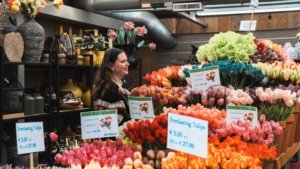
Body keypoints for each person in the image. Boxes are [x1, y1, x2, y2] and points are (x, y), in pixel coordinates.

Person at [92, 48, 130, 125]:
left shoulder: (118, 86)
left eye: (127, 61)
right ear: (111, 65)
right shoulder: (108, 89)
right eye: (123, 61)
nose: (128, 64)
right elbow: (110, 123)